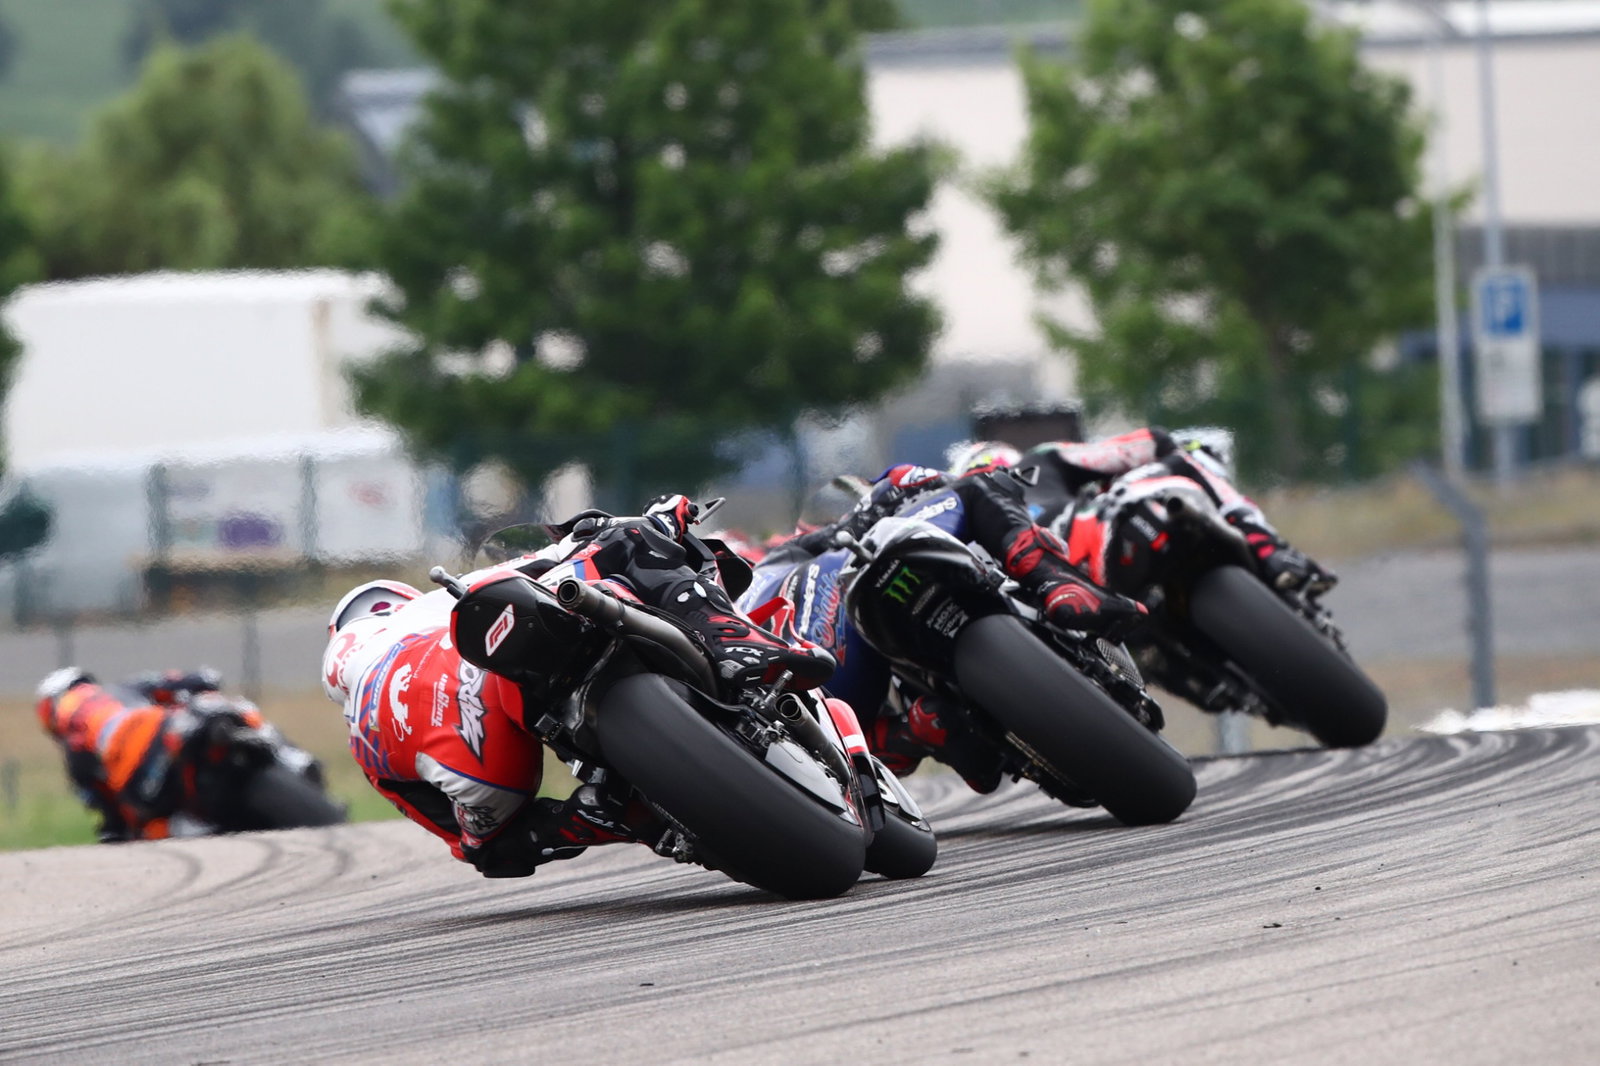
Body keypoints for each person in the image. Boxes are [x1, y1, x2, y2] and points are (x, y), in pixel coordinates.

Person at [321, 495, 836, 879]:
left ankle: (625, 817)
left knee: (496, 844)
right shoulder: (419, 610)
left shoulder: (361, 732)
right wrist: (663, 518)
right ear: (389, 602)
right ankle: (739, 647)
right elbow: (554, 558)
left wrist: (505, 834)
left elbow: (470, 846)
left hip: (478, 772)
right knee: (630, 542)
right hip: (483, 672)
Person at [744, 451, 1147, 792]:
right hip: (841, 645)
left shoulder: (761, 579)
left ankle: (917, 732)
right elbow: (930, 480)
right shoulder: (873, 507)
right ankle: (1059, 585)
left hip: (821, 700)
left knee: (858, 735)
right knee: (978, 489)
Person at [1021, 427, 1335, 593]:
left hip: (1086, 582)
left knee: (1178, 457)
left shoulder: (1030, 469)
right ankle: (1269, 549)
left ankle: (1267, 548)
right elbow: (1150, 442)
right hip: (1087, 585)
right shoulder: (1036, 462)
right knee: (1180, 456)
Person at [35, 667, 243, 842]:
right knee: (224, 711)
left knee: (148, 827)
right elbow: (174, 681)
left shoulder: (74, 736)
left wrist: (113, 829)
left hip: (137, 770)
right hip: (169, 727)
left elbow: (104, 805)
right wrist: (201, 678)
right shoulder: (120, 689)